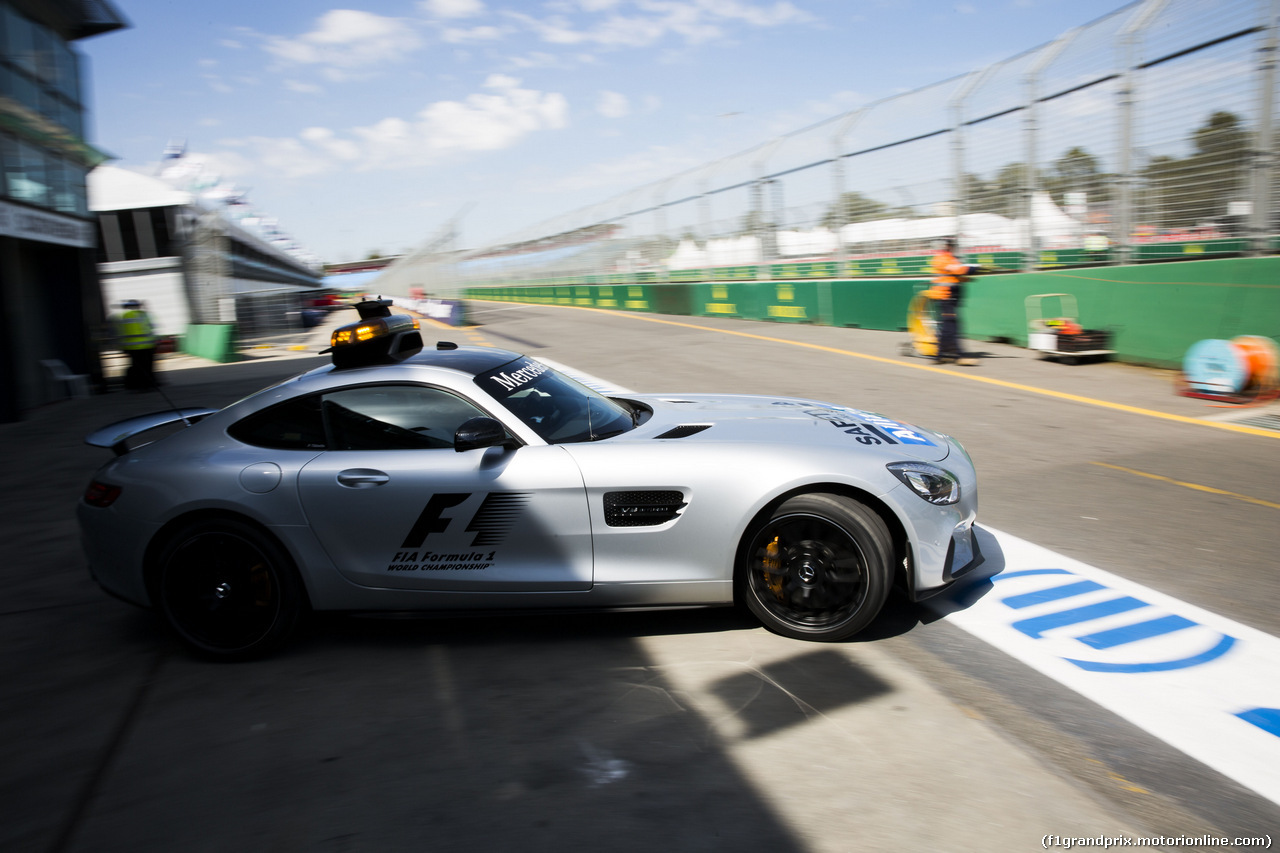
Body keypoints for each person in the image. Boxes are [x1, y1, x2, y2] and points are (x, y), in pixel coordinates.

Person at [928, 238, 980, 365]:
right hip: (946, 296)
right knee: (951, 326)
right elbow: (957, 270)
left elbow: (954, 275)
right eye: (952, 246)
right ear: (948, 246)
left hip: (950, 296)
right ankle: (957, 356)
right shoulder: (942, 258)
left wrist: (966, 279)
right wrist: (974, 269)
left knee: (949, 326)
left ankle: (941, 355)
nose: (953, 247)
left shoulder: (950, 258)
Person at [113, 299, 159, 390]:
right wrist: (155, 342)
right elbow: (153, 328)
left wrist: (123, 347)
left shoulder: (123, 316)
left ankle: (138, 385)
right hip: (148, 346)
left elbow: (120, 332)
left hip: (132, 347)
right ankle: (149, 384)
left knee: (137, 367)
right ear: (138, 306)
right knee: (148, 367)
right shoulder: (145, 315)